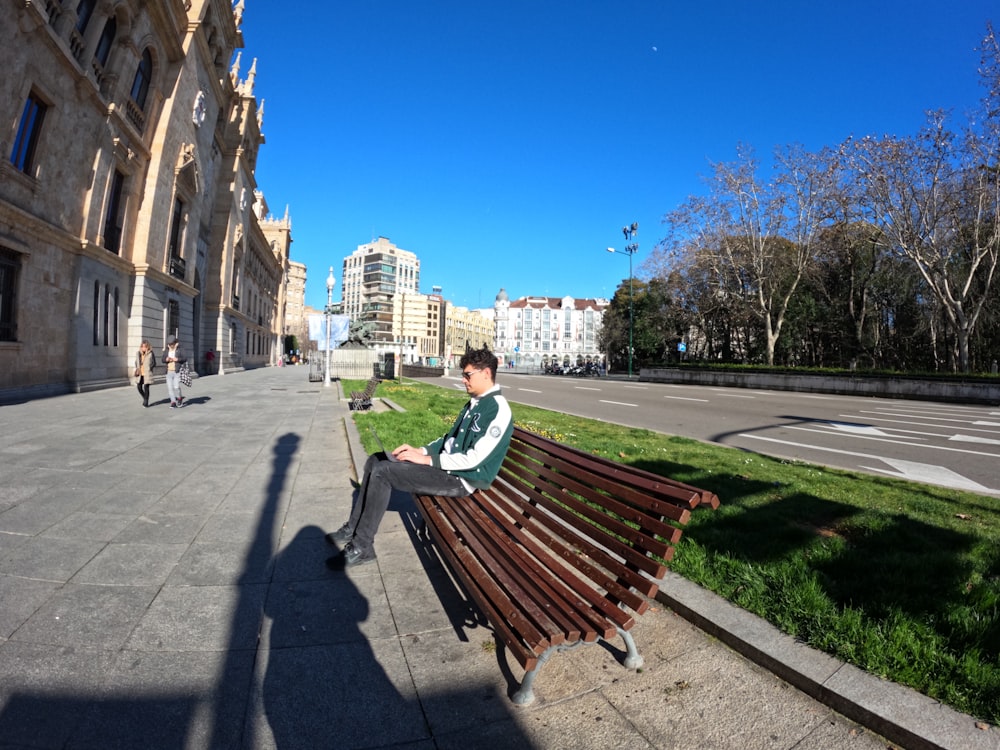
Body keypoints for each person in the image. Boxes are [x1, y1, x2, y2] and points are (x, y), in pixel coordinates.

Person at [327, 347, 514, 569]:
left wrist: (429, 461)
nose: (464, 380)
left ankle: (362, 546)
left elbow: (474, 459)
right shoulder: (474, 403)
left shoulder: (498, 410)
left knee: (384, 473)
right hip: (446, 468)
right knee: (376, 460)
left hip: (461, 479)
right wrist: (420, 451)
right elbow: (448, 439)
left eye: (467, 375)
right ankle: (353, 527)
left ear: (486, 373)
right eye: (463, 375)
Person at [163, 335, 186, 408]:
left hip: (177, 371)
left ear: (175, 342)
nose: (171, 345)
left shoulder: (180, 349)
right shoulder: (167, 350)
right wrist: (166, 359)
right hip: (169, 371)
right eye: (169, 344)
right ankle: (173, 402)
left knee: (176, 386)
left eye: (172, 344)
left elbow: (185, 358)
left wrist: (178, 359)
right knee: (170, 388)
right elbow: (162, 359)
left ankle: (179, 398)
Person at [134, 340, 156, 407]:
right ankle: (145, 397)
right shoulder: (138, 353)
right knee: (139, 387)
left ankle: (146, 402)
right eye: (142, 346)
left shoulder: (151, 353)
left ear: (148, 347)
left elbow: (154, 363)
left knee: (146, 387)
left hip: (147, 373)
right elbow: (136, 362)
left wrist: (149, 368)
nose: (143, 348)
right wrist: (137, 367)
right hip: (140, 374)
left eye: (145, 347)